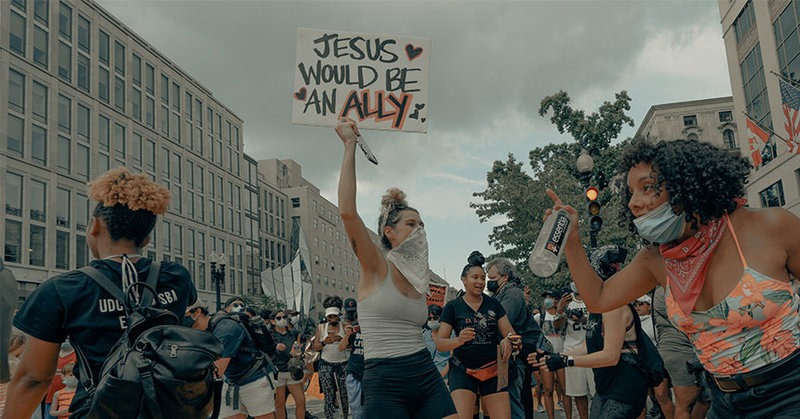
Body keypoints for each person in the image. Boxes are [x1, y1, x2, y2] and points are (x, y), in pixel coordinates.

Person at [544, 138, 800, 418]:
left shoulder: (771, 226)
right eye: (630, 192)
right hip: (723, 401)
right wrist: (572, 243)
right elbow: (598, 299)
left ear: (686, 185)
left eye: (647, 188)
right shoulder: (656, 259)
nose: (634, 202)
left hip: (789, 391)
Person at [6, 168, 196, 418]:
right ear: (147, 238)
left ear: (94, 226)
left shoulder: (63, 289)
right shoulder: (176, 277)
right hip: (169, 409)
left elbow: (33, 378)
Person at [336, 117, 457, 419]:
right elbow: (348, 212)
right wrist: (350, 145)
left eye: (422, 225)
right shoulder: (377, 265)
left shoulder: (420, 275)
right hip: (385, 380)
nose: (419, 230)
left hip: (424, 374)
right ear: (389, 232)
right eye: (411, 224)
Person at [532, 245, 649, 419]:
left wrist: (566, 360)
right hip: (605, 387)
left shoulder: (614, 306)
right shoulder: (598, 306)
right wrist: (555, 356)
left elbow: (610, 356)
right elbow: (589, 345)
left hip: (623, 387)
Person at [437, 251, 514, 419]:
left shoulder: (494, 304)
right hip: (463, 370)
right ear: (464, 280)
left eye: (483, 278)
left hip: (493, 369)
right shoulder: (453, 307)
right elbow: (440, 343)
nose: (480, 282)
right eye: (475, 277)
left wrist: (510, 340)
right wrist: (458, 340)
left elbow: (511, 334)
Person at [185, 300, 275, 419]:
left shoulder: (226, 329)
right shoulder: (201, 333)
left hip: (255, 379)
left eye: (183, 316)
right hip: (230, 381)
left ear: (197, 312)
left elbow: (217, 370)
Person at [652, 286, 709, 419]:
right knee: (686, 405)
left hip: (664, 351)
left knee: (701, 400)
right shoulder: (670, 288)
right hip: (681, 352)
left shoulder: (658, 290)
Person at [486, 257, 530, 419]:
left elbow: (498, 322)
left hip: (511, 357)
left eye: (492, 278)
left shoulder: (511, 294)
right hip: (504, 356)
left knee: (511, 404)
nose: (489, 282)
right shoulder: (499, 294)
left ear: (505, 277)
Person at [561, 281, 594, 419]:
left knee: (597, 391)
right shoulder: (567, 302)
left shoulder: (592, 298)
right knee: (578, 394)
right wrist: (559, 311)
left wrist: (583, 320)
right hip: (572, 349)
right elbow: (558, 327)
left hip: (593, 350)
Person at [532, 290, 567, 419]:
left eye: (550, 297)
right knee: (548, 390)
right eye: (545, 297)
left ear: (557, 300)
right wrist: (538, 349)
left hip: (563, 354)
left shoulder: (564, 316)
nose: (547, 300)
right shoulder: (539, 318)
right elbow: (533, 335)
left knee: (565, 389)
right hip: (546, 357)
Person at [312, 306, 349, 419]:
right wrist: (324, 342)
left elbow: (351, 344)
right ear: (327, 317)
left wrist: (341, 340)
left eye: (335, 316)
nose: (332, 319)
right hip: (326, 363)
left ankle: (345, 416)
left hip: (342, 363)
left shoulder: (345, 326)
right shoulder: (321, 327)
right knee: (328, 394)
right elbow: (315, 347)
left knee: (344, 394)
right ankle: (329, 416)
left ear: (339, 316)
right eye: (330, 316)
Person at [271, 310, 306, 419]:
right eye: (278, 318)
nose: (282, 320)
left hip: (292, 370)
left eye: (284, 317)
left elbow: (299, 348)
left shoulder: (294, 334)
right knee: (279, 404)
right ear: (273, 321)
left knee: (301, 401)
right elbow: (265, 350)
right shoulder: (269, 335)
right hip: (278, 372)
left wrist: (297, 353)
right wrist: (275, 348)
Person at [339, 298, 364, 419]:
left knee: (371, 407)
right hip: (354, 371)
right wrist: (348, 334)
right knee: (356, 409)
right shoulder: (353, 328)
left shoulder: (375, 329)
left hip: (370, 372)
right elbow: (341, 347)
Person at [43, 340, 77, 419]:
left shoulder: (76, 356)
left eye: (68, 337)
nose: (65, 340)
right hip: (51, 397)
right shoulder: (51, 354)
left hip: (71, 396)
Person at [423, 304, 451, 378]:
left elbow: (453, 356)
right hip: (428, 375)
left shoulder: (450, 334)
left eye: (435, 318)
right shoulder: (425, 335)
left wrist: (443, 373)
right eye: (429, 318)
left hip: (445, 376)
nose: (432, 321)